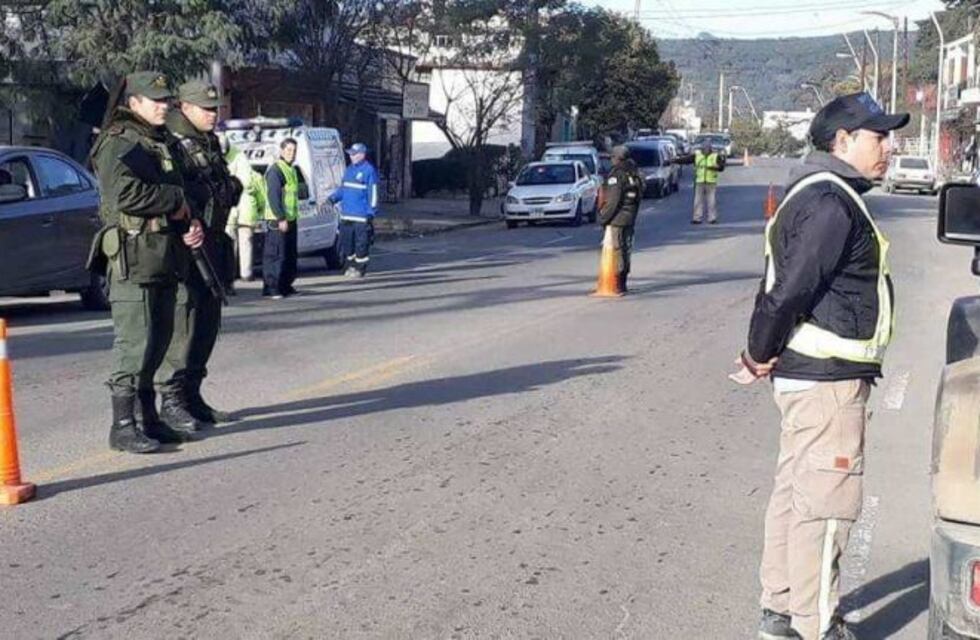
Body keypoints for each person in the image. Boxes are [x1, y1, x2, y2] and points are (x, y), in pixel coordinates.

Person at [732, 92, 908, 640]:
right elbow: (788, 292)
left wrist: (763, 353)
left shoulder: (820, 195)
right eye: (878, 137)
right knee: (827, 508)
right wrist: (757, 353)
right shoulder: (831, 203)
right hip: (826, 383)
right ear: (842, 142)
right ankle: (816, 625)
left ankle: (781, 612)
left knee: (796, 496)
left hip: (811, 376)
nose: (888, 147)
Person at [88, 71, 203, 453]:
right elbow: (124, 194)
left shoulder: (163, 141)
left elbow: (186, 187)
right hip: (133, 255)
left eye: (166, 99)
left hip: (165, 254)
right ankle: (122, 425)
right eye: (154, 100)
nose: (163, 105)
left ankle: (149, 419)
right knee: (134, 344)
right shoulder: (118, 142)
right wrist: (173, 200)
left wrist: (190, 219)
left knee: (158, 341)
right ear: (132, 103)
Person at [156, 80, 243, 432]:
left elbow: (220, 186)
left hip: (214, 240)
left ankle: (193, 395)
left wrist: (228, 188)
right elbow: (174, 193)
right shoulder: (173, 143)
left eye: (216, 108)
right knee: (185, 322)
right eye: (206, 109)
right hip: (188, 245)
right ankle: (172, 400)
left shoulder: (208, 142)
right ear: (185, 108)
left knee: (207, 323)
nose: (213, 114)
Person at [329, 142, 380, 278]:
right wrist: (332, 198)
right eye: (350, 154)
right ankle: (350, 265)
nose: (351, 156)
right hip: (347, 214)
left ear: (362, 155)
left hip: (361, 215)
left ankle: (360, 268)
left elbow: (373, 192)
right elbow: (343, 189)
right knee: (347, 243)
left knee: (361, 244)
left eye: (354, 154)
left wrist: (371, 212)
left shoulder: (369, 170)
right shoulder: (349, 170)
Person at [597, 145, 643, 292]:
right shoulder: (634, 172)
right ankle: (623, 282)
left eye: (612, 157)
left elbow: (613, 201)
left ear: (616, 158)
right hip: (630, 217)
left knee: (617, 249)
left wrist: (604, 218)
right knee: (626, 249)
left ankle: (616, 282)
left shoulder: (617, 175)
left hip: (617, 219)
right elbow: (639, 194)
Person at [263, 138, 300, 298]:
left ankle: (285, 285)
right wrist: (281, 218)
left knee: (289, 255)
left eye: (294, 151)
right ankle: (272, 288)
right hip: (278, 221)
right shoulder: (276, 170)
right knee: (276, 255)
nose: (291, 154)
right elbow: (274, 196)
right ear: (281, 151)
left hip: (291, 219)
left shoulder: (291, 169)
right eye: (288, 150)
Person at [224, 137, 265, 282]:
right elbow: (258, 192)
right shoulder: (245, 164)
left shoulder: (235, 158)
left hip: (233, 209)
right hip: (245, 211)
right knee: (245, 242)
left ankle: (231, 274)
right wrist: (261, 209)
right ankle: (245, 273)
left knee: (230, 243)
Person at [692, 138, 723, 224]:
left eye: (707, 147)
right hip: (700, 181)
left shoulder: (715, 156)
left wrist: (713, 167)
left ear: (710, 148)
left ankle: (712, 218)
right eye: (704, 147)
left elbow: (721, 167)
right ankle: (697, 218)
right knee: (698, 201)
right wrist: (674, 160)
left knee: (711, 201)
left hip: (711, 181)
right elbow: (685, 160)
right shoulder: (697, 155)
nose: (705, 149)